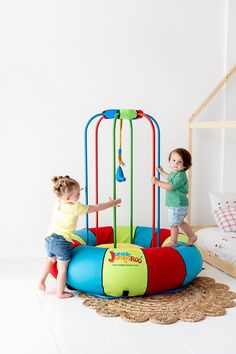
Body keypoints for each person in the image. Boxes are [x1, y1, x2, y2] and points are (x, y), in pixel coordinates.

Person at [38, 175, 121, 299]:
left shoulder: (58, 202)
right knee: (62, 269)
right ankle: (60, 293)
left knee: (50, 260)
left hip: (49, 239)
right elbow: (95, 208)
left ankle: (41, 281)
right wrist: (111, 203)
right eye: (77, 193)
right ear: (67, 197)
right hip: (62, 242)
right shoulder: (75, 208)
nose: (79, 195)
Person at [151, 148, 197, 247]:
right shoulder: (176, 173)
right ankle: (192, 236)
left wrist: (157, 182)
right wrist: (161, 171)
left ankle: (173, 242)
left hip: (177, 204)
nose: (176, 163)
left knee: (173, 224)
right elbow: (169, 177)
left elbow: (170, 186)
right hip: (178, 204)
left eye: (180, 162)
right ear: (169, 161)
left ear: (185, 165)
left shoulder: (181, 176)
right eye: (174, 160)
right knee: (179, 222)